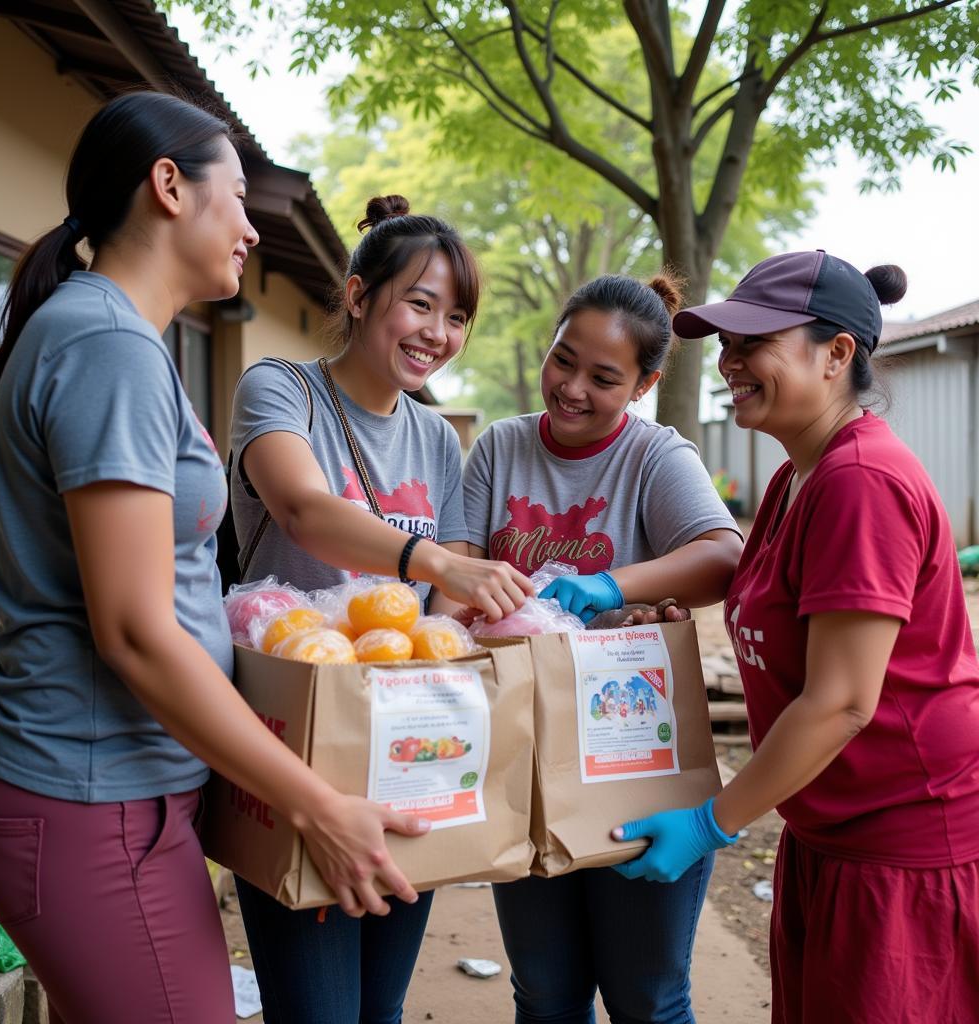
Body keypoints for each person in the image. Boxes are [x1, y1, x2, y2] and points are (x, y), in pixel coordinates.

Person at [0, 94, 435, 1024]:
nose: (253, 228)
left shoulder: (110, 335)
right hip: (92, 797)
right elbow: (135, 631)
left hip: (104, 793)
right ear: (169, 186)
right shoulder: (107, 345)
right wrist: (313, 801)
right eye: (240, 198)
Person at [614, 251, 979, 1023]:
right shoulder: (796, 474)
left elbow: (842, 701)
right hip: (826, 823)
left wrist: (712, 823)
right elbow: (767, 598)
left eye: (754, 342)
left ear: (837, 353)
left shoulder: (860, 482)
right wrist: (639, 600)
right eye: (726, 343)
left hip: (899, 838)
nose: (730, 361)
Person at [228, 193, 532, 1024]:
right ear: (360, 296)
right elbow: (301, 509)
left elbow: (434, 617)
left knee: (381, 1012)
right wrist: (439, 560)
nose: (439, 331)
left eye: (457, 315)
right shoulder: (281, 390)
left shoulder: (437, 439)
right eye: (421, 304)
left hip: (407, 752)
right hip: (300, 754)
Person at [461, 273, 744, 1023]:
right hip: (522, 759)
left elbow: (724, 554)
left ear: (646, 384)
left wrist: (610, 587)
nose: (572, 388)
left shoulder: (655, 456)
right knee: (546, 994)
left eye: (604, 377)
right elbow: (451, 577)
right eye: (563, 360)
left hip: (633, 761)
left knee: (647, 999)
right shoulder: (500, 447)